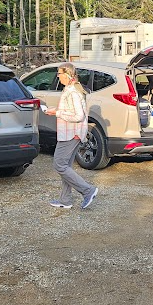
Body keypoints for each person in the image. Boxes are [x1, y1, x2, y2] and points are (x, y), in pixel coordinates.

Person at [46, 63, 98, 210]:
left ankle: (88, 191)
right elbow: (72, 111)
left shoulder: (73, 92)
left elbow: (78, 116)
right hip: (71, 132)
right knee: (66, 166)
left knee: (59, 164)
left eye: (59, 74)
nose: (58, 76)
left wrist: (57, 113)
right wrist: (57, 110)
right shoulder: (70, 89)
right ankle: (65, 200)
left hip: (71, 133)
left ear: (67, 75)